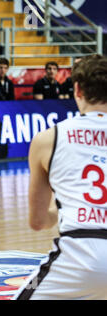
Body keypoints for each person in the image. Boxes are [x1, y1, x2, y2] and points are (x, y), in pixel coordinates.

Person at [13, 54, 107, 300]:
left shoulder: (48, 139)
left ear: (77, 89)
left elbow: (38, 221)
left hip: (81, 255)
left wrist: (67, 208)